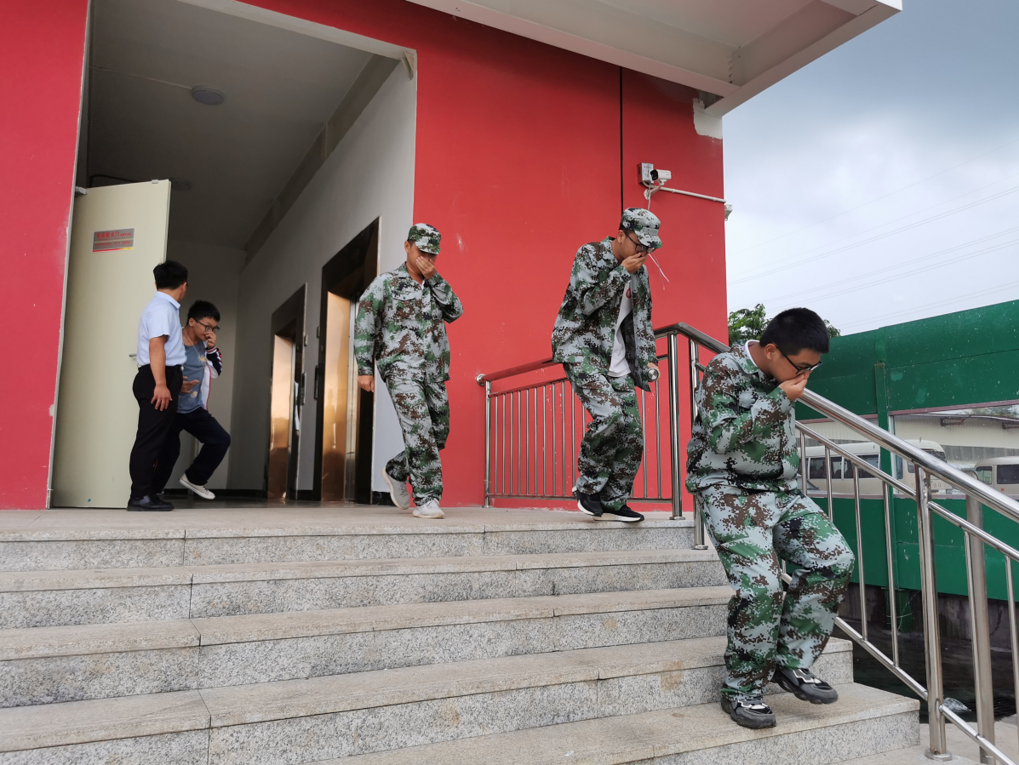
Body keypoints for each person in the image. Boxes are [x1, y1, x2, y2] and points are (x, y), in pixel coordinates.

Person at [685, 307, 856, 729]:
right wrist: (780, 399)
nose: (805, 377)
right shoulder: (725, 370)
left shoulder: (786, 374)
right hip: (727, 488)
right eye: (802, 367)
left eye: (813, 369)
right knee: (761, 587)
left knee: (834, 560)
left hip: (780, 490)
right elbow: (722, 438)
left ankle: (791, 661)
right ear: (773, 350)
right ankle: (742, 689)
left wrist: (784, 391)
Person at [551, 207, 662, 523]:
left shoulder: (640, 273)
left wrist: (649, 356)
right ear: (623, 235)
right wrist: (621, 272)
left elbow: (642, 319)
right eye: (640, 243)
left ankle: (614, 499)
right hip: (580, 350)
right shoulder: (590, 254)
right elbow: (585, 303)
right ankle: (588, 488)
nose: (645, 251)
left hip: (618, 359)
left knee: (633, 432)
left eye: (650, 246)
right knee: (609, 415)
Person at [354, 223, 463, 519]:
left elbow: (456, 311)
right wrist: (364, 367)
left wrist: (435, 278)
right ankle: (427, 498)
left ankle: (396, 470)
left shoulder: (435, 285)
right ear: (407, 246)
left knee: (439, 432)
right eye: (421, 250)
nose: (425, 257)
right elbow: (365, 321)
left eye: (432, 253)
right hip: (400, 368)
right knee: (420, 428)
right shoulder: (386, 283)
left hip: (434, 370)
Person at [128, 260, 193, 511]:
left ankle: (149, 493)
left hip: (163, 376)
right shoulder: (162, 308)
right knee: (149, 440)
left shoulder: (162, 307)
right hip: (157, 377)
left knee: (164, 442)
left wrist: (173, 383)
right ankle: (140, 496)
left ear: (157, 283)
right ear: (184, 285)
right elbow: (156, 346)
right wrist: (162, 384)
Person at [152, 300, 231, 501]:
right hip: (169, 407)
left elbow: (215, 373)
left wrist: (212, 349)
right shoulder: (171, 340)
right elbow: (155, 366)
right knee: (169, 452)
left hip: (193, 408)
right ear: (191, 321)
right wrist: (174, 387)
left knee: (221, 439)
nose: (210, 331)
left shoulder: (207, 347)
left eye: (214, 328)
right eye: (207, 326)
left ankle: (194, 478)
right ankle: (152, 493)